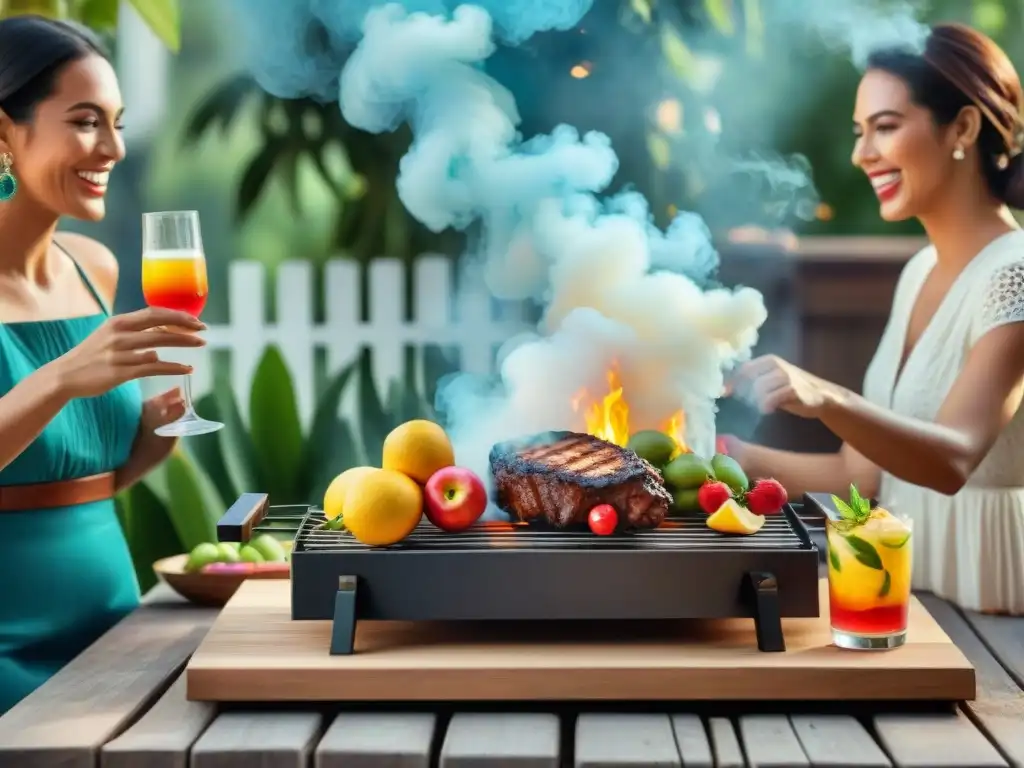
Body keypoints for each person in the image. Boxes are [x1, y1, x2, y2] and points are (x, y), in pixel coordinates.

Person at [725, 22, 1024, 616]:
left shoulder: (1013, 274)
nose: (862, 155)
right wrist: (725, 454)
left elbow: (955, 458)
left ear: (962, 127)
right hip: (922, 603)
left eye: (885, 127)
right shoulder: (918, 271)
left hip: (999, 612)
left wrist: (823, 396)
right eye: (860, 132)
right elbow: (859, 476)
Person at [0, 16, 207, 714]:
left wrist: (161, 425)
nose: (114, 148)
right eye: (87, 122)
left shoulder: (94, 267)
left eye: (117, 122)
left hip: (116, 640)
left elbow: (92, 479)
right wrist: (61, 377)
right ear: (4, 133)